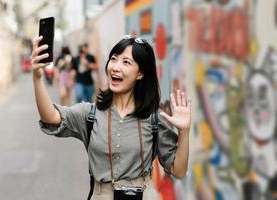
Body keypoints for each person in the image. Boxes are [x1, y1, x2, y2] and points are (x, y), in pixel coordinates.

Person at [30, 34, 192, 199]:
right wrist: (37, 78)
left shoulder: (154, 118)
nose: (115, 67)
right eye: (113, 59)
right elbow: (50, 117)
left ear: (140, 73)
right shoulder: (90, 114)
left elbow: (178, 171)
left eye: (126, 62)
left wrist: (184, 131)